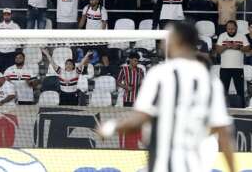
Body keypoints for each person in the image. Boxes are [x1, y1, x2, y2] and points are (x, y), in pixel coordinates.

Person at [99, 21, 236, 172]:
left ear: (178, 40)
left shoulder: (160, 74)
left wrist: (111, 127)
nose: (164, 41)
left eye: (168, 36)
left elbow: (139, 119)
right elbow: (223, 133)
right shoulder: (210, 81)